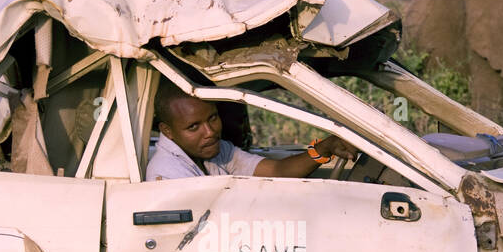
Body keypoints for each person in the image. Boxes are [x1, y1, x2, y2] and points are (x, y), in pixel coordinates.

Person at [146, 78, 358, 180]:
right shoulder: (167, 174)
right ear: (167, 131)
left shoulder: (217, 151)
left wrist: (324, 149)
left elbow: (278, 171)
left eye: (212, 118)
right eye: (194, 127)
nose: (210, 132)